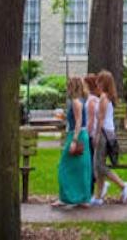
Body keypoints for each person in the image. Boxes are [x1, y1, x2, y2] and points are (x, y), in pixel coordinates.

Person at [90, 70, 127, 205]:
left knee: (99, 165)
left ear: (103, 83)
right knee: (98, 165)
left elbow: (100, 119)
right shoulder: (109, 98)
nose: (97, 83)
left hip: (103, 134)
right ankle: (98, 196)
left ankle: (122, 185)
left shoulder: (103, 98)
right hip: (109, 133)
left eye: (99, 81)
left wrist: (96, 135)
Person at [52, 76, 92, 207]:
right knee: (81, 168)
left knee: (64, 166)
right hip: (83, 135)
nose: (66, 88)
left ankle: (65, 197)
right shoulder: (81, 100)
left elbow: (79, 121)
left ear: (72, 87)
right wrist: (65, 117)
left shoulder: (75, 101)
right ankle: (82, 198)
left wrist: (74, 140)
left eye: (68, 85)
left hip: (76, 135)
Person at [83, 74, 100, 194]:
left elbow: (91, 120)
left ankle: (90, 189)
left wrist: (86, 135)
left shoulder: (91, 101)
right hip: (93, 134)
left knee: (89, 162)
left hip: (91, 135)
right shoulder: (95, 99)